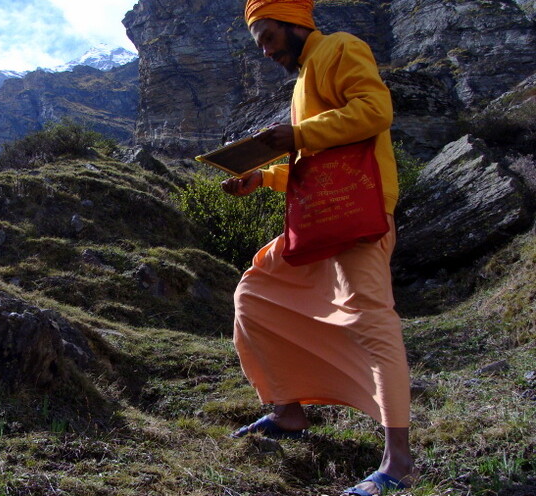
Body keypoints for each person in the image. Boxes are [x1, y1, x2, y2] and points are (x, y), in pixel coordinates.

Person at [220, 1, 417, 495]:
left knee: (370, 317)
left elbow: (376, 112)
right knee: (256, 293)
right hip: (322, 214)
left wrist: (298, 133)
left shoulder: (342, 48)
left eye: (267, 37)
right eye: (258, 40)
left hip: (358, 212)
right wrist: (263, 177)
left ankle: (399, 461)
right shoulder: (304, 79)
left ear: (295, 24)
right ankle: (288, 412)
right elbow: (319, 169)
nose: (264, 51)